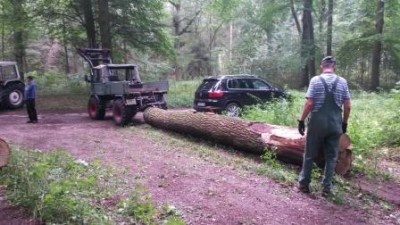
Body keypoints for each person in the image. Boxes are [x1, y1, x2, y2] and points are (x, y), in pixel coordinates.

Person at [297, 56, 351, 197]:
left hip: (317, 123)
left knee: (309, 154)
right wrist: (344, 123)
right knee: (332, 156)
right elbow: (347, 106)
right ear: (334, 66)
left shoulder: (315, 80)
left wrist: (301, 120)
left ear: (322, 66)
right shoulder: (343, 82)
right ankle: (327, 188)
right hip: (335, 124)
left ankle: (304, 184)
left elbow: (309, 104)